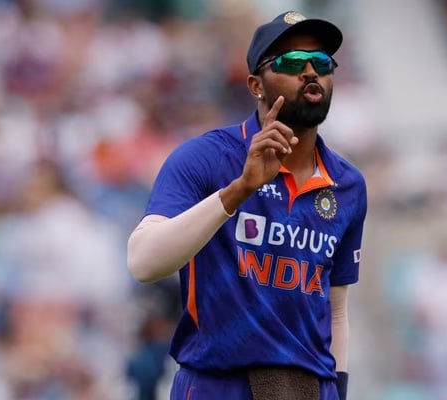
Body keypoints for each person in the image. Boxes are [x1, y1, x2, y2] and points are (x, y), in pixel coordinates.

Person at [126, 10, 367, 400]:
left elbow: (336, 310)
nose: (310, 72)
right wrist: (238, 191)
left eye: (321, 62)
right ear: (256, 84)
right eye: (291, 62)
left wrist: (338, 391)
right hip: (216, 385)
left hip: (310, 389)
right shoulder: (204, 158)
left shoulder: (349, 184)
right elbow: (143, 262)